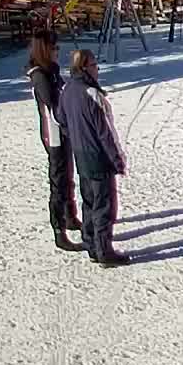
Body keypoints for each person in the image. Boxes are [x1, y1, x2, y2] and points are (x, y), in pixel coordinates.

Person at [57, 49, 129, 267]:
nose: (98, 69)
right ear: (85, 67)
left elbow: (61, 119)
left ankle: (90, 242)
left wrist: (77, 137)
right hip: (98, 157)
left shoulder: (67, 90)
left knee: (89, 201)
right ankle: (103, 250)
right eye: (95, 65)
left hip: (81, 155)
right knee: (103, 205)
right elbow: (105, 132)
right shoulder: (91, 94)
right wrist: (117, 160)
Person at [26, 31, 81, 252]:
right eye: (54, 48)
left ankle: (70, 215)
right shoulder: (40, 75)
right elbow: (52, 105)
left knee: (67, 173)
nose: (58, 52)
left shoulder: (53, 70)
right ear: (44, 49)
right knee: (58, 179)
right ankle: (59, 229)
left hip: (64, 129)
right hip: (54, 132)